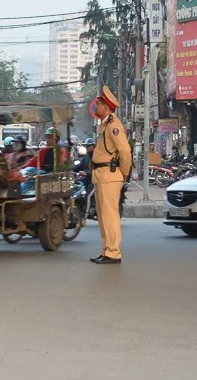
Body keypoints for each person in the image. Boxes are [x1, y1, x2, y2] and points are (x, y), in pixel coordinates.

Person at [89, 86, 132, 265]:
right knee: (102, 216)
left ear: (106, 107)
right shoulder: (105, 125)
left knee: (109, 215)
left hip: (110, 175)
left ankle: (113, 252)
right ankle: (107, 249)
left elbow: (125, 151)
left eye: (98, 104)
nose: (96, 107)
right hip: (101, 175)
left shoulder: (114, 126)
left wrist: (124, 172)